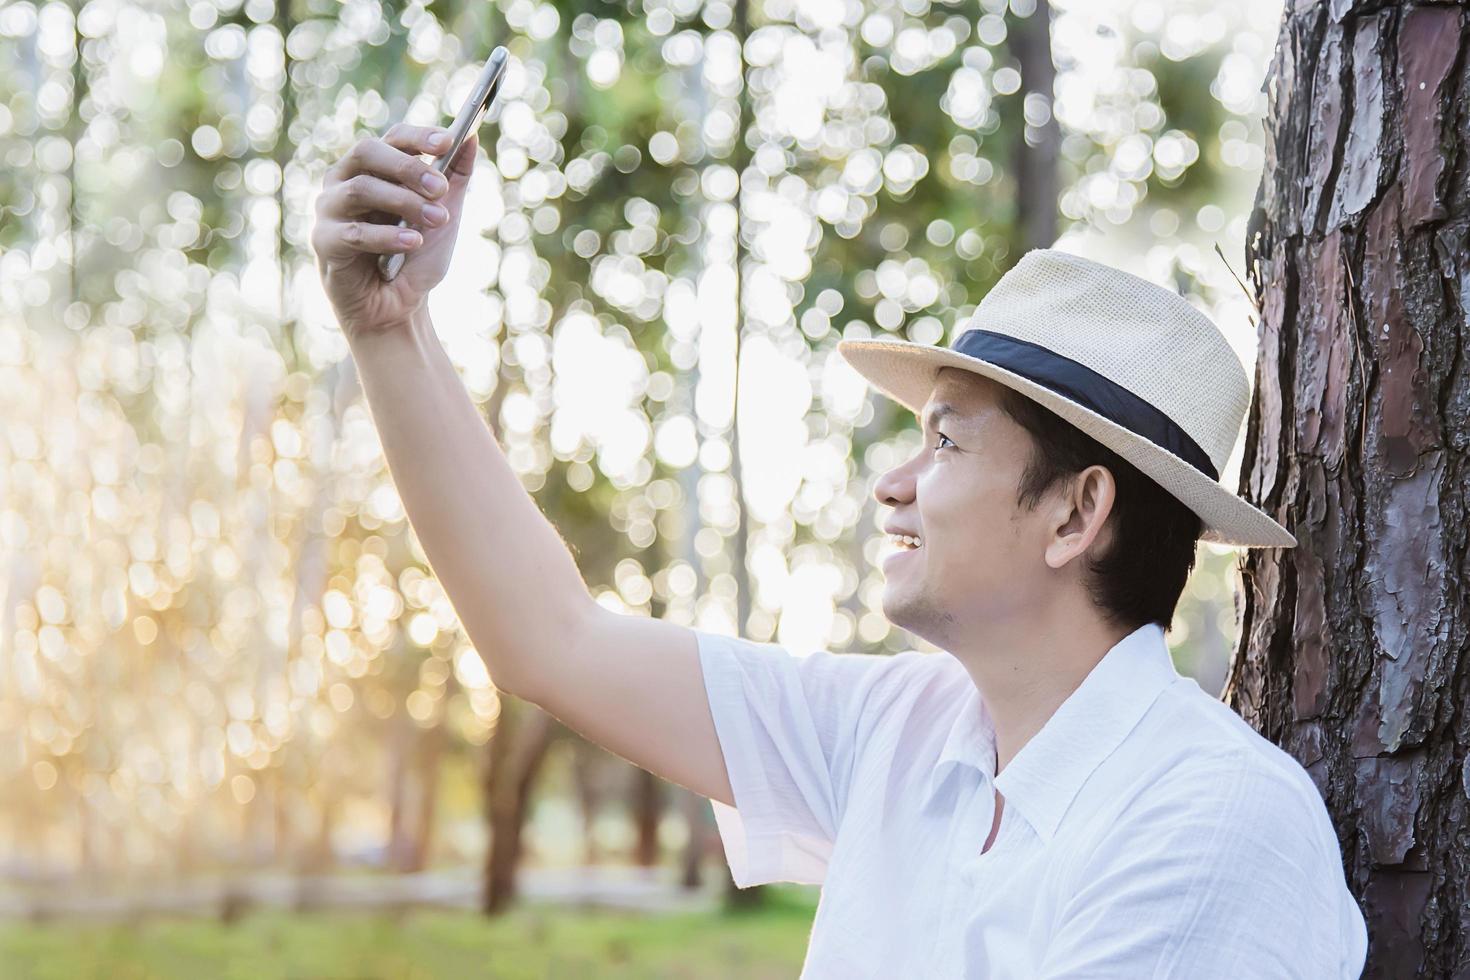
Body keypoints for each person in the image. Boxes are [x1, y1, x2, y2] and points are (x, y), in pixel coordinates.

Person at [312, 124, 1369, 977]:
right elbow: (552, 640)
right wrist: (389, 329)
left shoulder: (1214, 821)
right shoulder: (900, 736)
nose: (893, 481)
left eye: (947, 439)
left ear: (1075, 513)